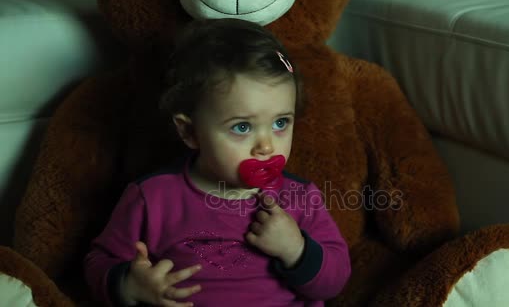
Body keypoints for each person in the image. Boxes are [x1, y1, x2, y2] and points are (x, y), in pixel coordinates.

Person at [84, 18, 351, 307]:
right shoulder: (152, 197)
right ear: (189, 131)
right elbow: (98, 262)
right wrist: (130, 285)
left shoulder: (300, 197)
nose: (266, 145)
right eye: (242, 127)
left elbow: (335, 281)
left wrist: (297, 250)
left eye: (280, 122)